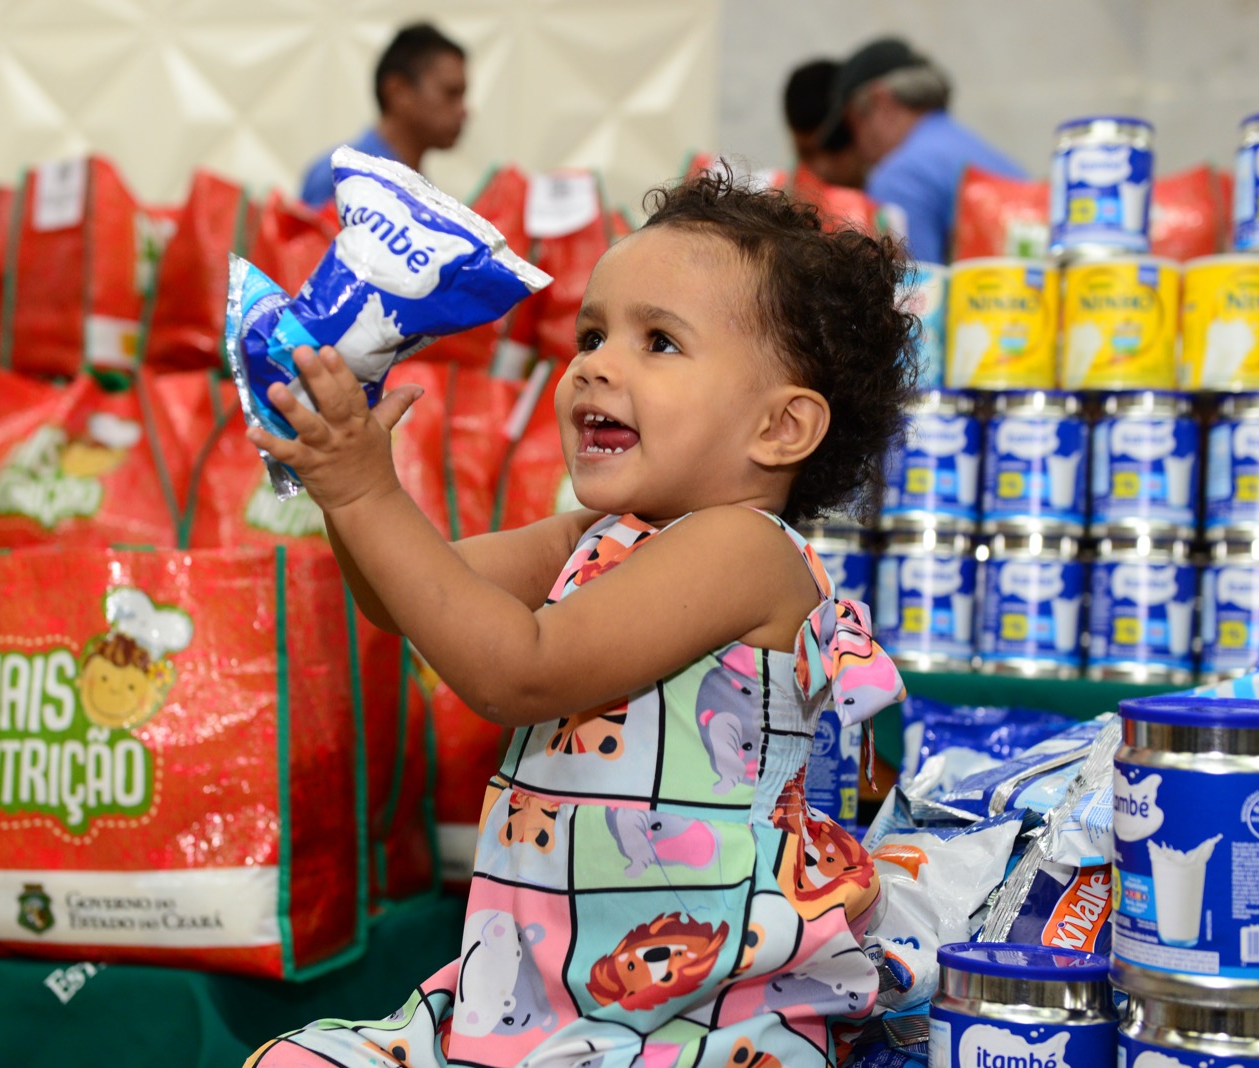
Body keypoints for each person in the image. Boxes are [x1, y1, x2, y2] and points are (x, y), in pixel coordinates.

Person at [243, 171, 914, 1068]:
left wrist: (368, 492)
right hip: (535, 994)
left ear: (781, 428)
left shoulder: (744, 551)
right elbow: (395, 597)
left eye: (659, 342)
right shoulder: (593, 537)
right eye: (591, 335)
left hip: (694, 1010)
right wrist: (341, 476)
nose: (595, 364)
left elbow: (518, 672)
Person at [816, 36, 1026, 265]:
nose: (858, 149)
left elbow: (914, 284)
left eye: (852, 127)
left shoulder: (899, 176)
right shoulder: (975, 149)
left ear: (880, 101)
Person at [298, 22, 468, 209]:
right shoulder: (340, 177)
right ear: (398, 91)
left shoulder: (420, 189)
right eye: (451, 93)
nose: (464, 110)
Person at [783, 58, 865, 188]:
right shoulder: (787, 190)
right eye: (807, 153)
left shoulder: (893, 185)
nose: (822, 169)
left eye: (834, 145)